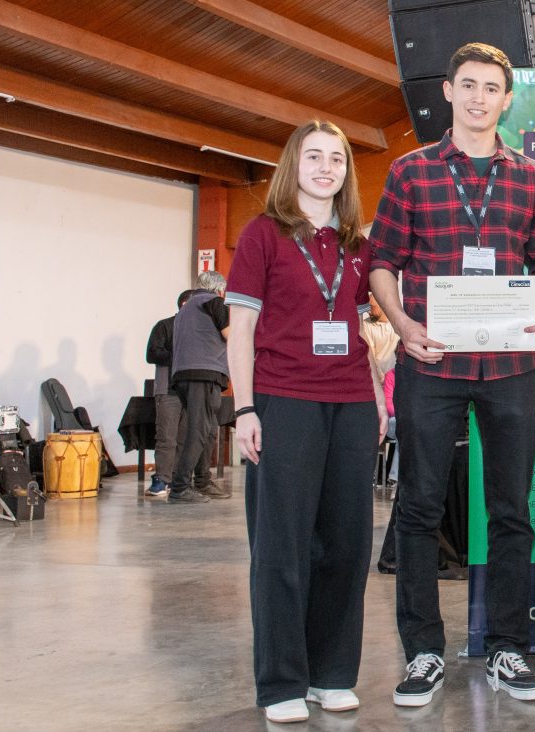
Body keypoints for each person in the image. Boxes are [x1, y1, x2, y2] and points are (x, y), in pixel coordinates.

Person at [369, 42, 535, 707]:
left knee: (511, 512)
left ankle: (508, 649)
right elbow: (382, 264)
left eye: (492, 88)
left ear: (507, 100)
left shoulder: (533, 181)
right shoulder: (409, 173)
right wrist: (402, 326)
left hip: (511, 364)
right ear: (448, 92)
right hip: (431, 362)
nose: (480, 97)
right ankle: (423, 650)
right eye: (469, 85)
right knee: (420, 508)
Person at [225, 120, 387, 724]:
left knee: (346, 544)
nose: (326, 168)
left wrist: (373, 392)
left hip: (349, 403)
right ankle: (282, 682)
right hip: (282, 400)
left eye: (338, 160)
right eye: (314, 157)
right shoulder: (262, 236)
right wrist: (243, 408)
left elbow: (356, 326)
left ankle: (333, 673)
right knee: (282, 546)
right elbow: (239, 333)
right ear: (293, 165)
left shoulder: (356, 244)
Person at [169, 271, 230, 503]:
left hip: (184, 374)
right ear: (219, 289)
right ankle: (180, 487)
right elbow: (231, 335)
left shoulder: (186, 308)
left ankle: (202, 480)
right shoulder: (214, 302)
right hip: (203, 373)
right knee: (198, 430)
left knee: (206, 428)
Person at [143, 288, 192, 498]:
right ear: (184, 305)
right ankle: (162, 479)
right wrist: (181, 357)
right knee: (166, 437)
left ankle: (179, 480)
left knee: (185, 438)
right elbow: (152, 353)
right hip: (169, 390)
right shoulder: (164, 326)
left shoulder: (199, 331)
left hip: (191, 390)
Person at [360, 293, 400, 383]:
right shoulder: (366, 326)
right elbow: (370, 356)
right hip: (379, 380)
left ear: (382, 305)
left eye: (372, 307)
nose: (369, 312)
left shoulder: (398, 324)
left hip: (398, 379)